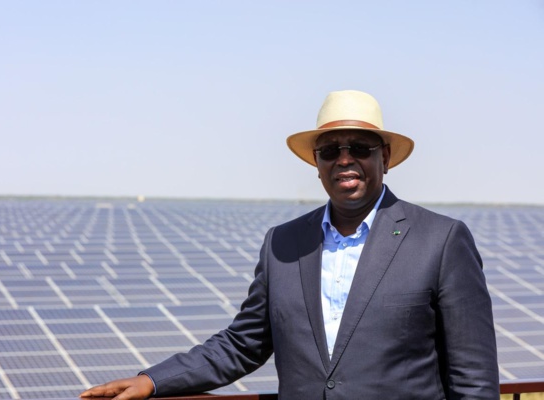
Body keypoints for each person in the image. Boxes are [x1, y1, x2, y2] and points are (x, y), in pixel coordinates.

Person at [80, 90, 499, 399]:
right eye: (330, 150)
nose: (344, 159)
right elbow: (243, 344)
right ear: (316, 163)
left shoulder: (440, 240)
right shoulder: (283, 243)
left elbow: (474, 379)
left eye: (360, 148)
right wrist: (152, 381)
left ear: (385, 158)